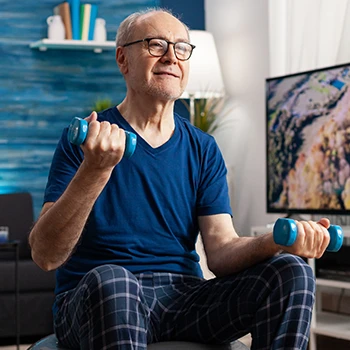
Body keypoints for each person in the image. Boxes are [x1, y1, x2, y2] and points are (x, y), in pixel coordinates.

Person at [29, 8, 332, 350]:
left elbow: (220, 251)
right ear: (123, 59)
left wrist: (275, 242)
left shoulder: (203, 149)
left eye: (182, 48)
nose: (171, 57)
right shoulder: (86, 142)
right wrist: (95, 170)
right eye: (156, 45)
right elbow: (46, 255)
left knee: (292, 272)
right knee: (115, 281)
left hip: (182, 297)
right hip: (97, 296)